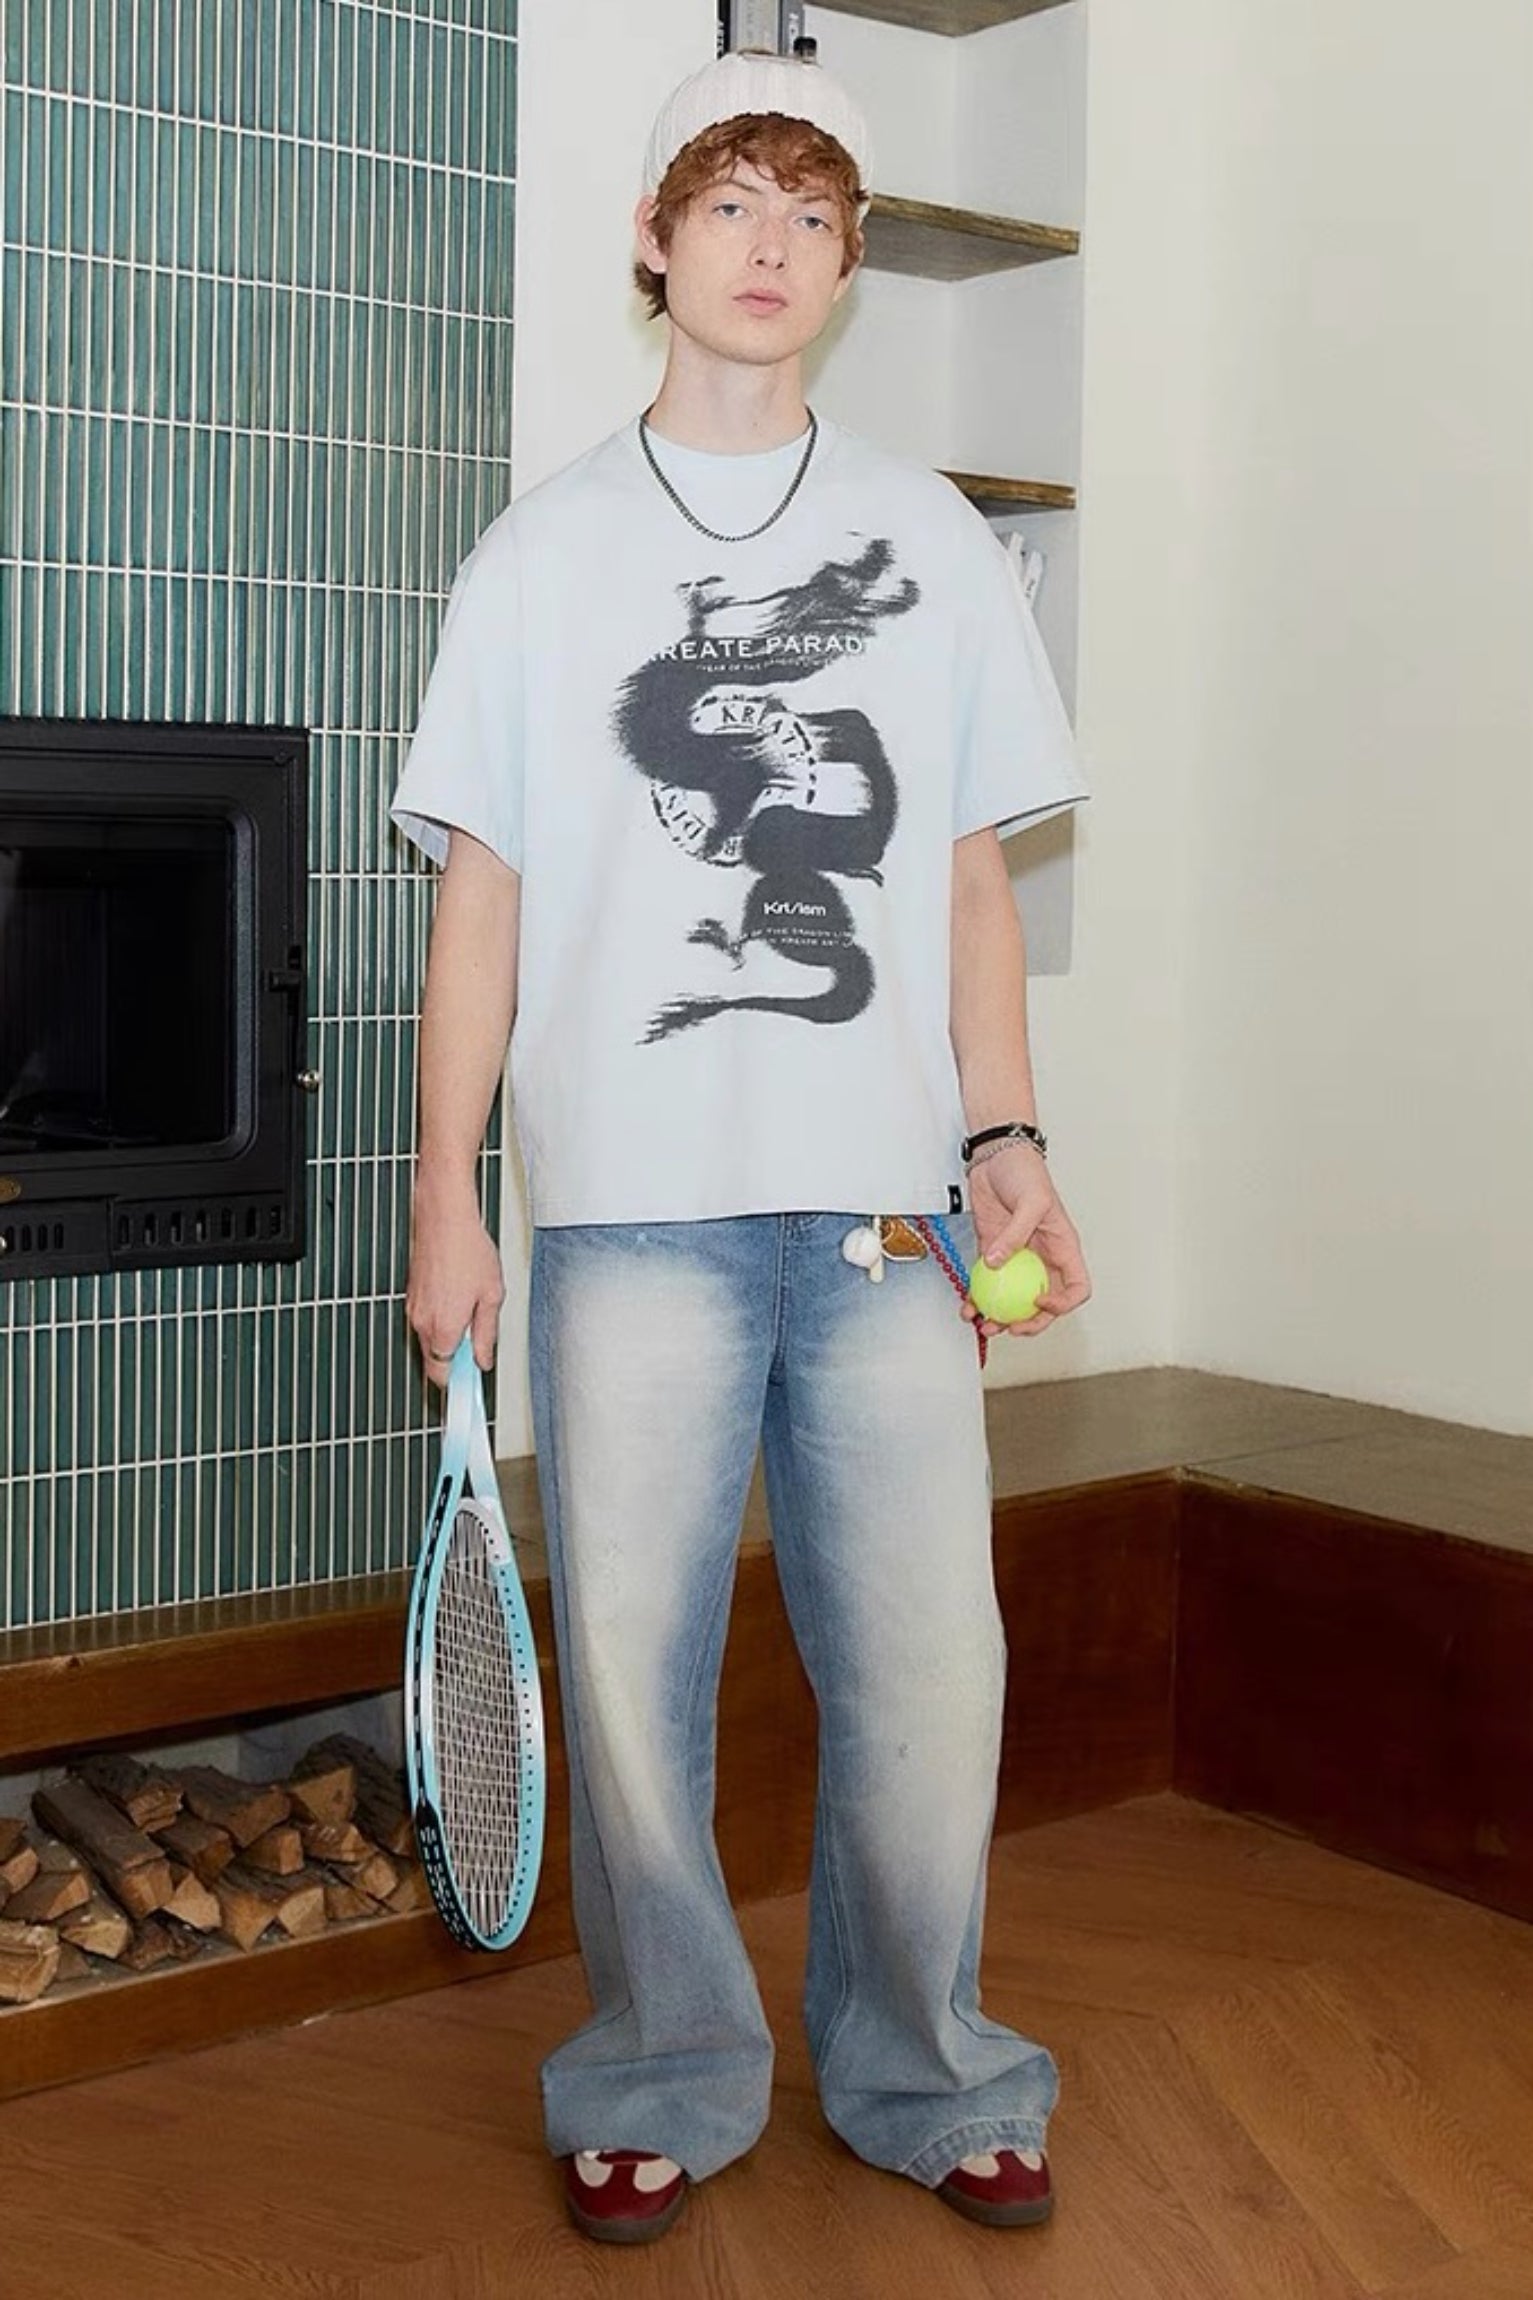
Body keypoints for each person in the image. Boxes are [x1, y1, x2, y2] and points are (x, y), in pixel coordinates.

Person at [392, 47, 1091, 2247]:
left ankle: (927, 2067)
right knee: (630, 1683)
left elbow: (965, 880)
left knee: (930, 1677)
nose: (770, 246)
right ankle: (659, 2071)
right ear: (654, 239)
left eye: (811, 213)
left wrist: (1005, 1134)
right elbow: (481, 899)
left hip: (885, 1210)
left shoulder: (929, 542)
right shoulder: (541, 555)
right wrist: (442, 1193)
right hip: (626, 1215)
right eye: (730, 203)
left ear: (847, 263)